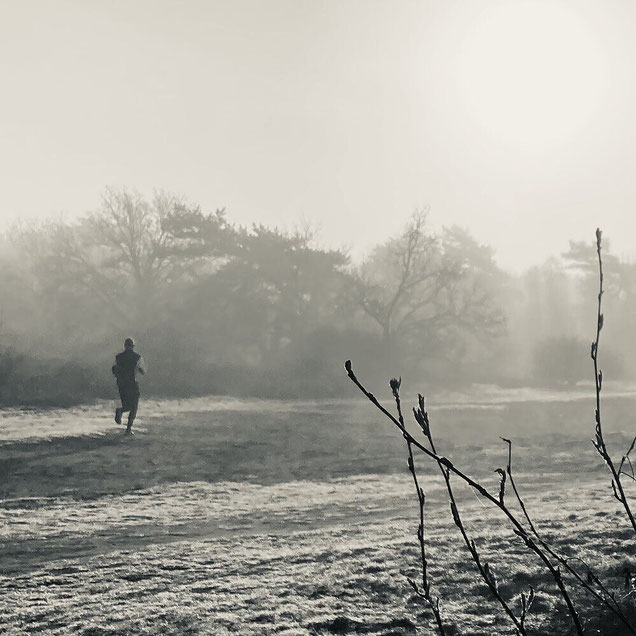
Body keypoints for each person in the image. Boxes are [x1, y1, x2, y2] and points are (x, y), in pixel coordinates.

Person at [112, 337, 146, 434]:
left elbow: (114, 369)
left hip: (121, 384)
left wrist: (119, 376)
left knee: (126, 403)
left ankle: (120, 411)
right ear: (133, 346)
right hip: (132, 383)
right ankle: (128, 428)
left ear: (125, 346)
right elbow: (142, 371)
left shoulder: (118, 357)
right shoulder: (137, 357)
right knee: (134, 406)